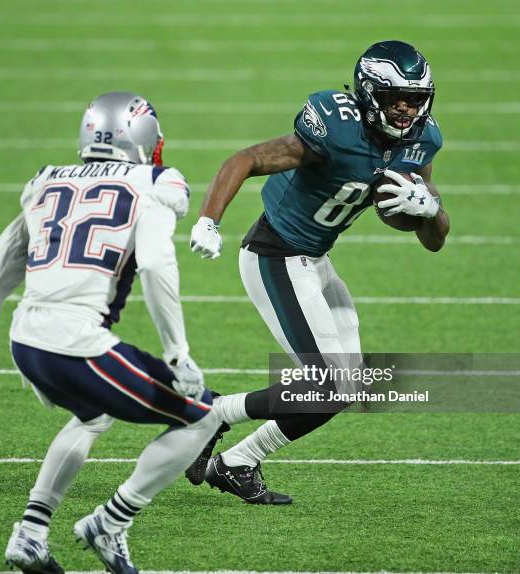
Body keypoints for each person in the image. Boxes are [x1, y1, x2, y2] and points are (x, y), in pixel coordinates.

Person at [0, 91, 221, 574]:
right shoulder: (156, 181)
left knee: (93, 415)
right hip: (74, 344)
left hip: (25, 342)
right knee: (202, 419)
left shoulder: (45, 183)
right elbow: (157, 266)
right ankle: (111, 523)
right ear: (141, 137)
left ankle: (30, 533)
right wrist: (178, 355)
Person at [187, 41, 450, 504]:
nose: (407, 109)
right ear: (370, 94)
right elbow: (244, 159)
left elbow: (434, 241)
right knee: (327, 382)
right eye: (395, 98)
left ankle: (237, 463)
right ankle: (213, 413)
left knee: (346, 386)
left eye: (416, 98)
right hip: (275, 254)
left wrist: (431, 209)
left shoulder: (422, 141)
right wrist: (209, 220)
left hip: (316, 261)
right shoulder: (335, 125)